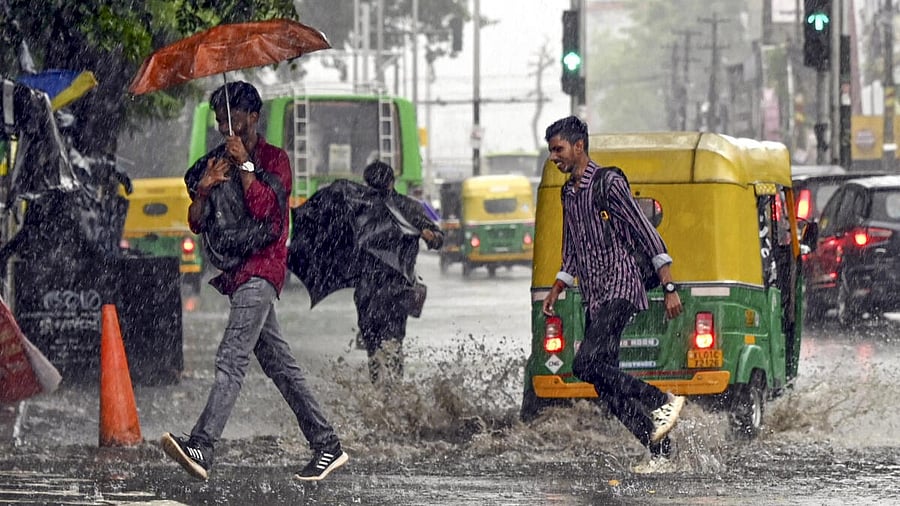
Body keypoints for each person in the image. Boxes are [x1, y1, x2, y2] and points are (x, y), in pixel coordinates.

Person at [161, 81, 348, 482]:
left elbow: (266, 211)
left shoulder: (275, 160)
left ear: (253, 117)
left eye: (233, 118)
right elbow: (197, 223)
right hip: (236, 273)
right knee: (281, 367)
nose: (226, 126)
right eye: (220, 120)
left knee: (231, 358)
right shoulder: (214, 162)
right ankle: (327, 444)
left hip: (262, 270)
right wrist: (207, 188)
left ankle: (202, 445)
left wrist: (245, 163)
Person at [541, 116, 686, 474]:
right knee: (607, 390)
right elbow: (571, 248)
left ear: (579, 146)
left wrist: (668, 286)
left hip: (621, 286)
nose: (554, 157)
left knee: (584, 364)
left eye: (558, 149)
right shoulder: (568, 192)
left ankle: (662, 400)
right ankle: (662, 451)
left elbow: (645, 231)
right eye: (550, 151)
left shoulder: (609, 182)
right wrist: (558, 287)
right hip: (594, 295)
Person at [355, 160, 443, 383]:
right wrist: (433, 237)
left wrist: (430, 236)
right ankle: (392, 396)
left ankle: (384, 393)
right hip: (383, 289)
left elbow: (438, 237)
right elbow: (438, 238)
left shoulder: (370, 209)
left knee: (381, 347)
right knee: (387, 345)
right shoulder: (367, 209)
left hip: (384, 289)